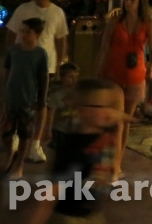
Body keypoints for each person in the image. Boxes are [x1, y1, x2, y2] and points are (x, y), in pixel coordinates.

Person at [28, 78, 128, 224]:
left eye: (110, 106)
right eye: (100, 106)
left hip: (91, 214)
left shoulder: (103, 138)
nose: (108, 112)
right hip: (69, 218)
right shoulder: (73, 148)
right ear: (83, 110)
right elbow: (53, 191)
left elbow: (120, 120)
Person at [5, 0, 69, 163]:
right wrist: (10, 56)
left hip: (46, 64)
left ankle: (36, 142)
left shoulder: (57, 13)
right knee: (19, 99)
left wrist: (60, 63)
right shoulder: (23, 10)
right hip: (23, 63)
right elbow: (11, 33)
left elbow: (61, 38)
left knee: (42, 103)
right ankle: (17, 135)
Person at [95, 0, 152, 179]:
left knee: (125, 121)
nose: (128, 3)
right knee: (115, 120)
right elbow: (104, 47)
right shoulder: (115, 21)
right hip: (114, 73)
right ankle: (109, 163)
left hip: (136, 75)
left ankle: (117, 163)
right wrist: (97, 73)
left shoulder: (147, 22)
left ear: (140, 3)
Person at [2, 17, 50, 179]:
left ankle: (20, 164)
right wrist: (6, 90)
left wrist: (42, 98)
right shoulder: (13, 50)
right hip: (11, 98)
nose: (24, 34)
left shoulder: (40, 54)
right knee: (6, 132)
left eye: (28, 32)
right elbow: (8, 70)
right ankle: (10, 152)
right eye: (22, 31)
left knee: (24, 133)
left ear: (37, 34)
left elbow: (43, 77)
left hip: (28, 99)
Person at [44, 61, 80, 150]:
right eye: (71, 77)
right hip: (60, 130)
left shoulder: (79, 94)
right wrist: (48, 131)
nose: (74, 80)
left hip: (75, 130)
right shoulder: (56, 95)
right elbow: (51, 113)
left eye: (76, 77)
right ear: (62, 78)